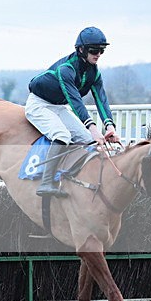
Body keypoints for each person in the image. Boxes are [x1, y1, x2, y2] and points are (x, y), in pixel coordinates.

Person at [25, 26, 120, 198]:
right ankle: (46, 183)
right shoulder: (66, 69)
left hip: (58, 107)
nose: (98, 54)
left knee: (89, 142)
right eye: (94, 50)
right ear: (81, 49)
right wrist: (93, 127)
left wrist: (110, 126)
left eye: (102, 50)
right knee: (62, 135)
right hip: (38, 104)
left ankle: (75, 178)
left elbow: (101, 98)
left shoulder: (94, 73)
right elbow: (75, 101)